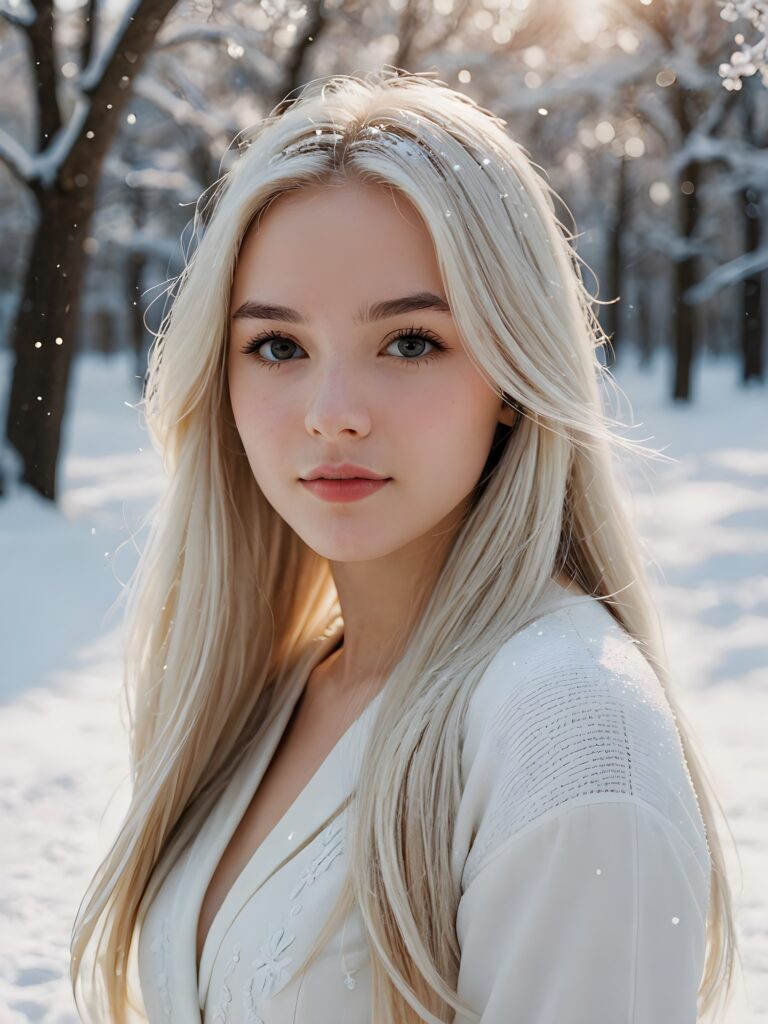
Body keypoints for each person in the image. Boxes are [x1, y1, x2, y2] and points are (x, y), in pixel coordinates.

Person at [70, 69, 736, 1024]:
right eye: (277, 346)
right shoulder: (281, 689)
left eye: (411, 342)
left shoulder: (572, 730)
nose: (332, 416)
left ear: (512, 373)